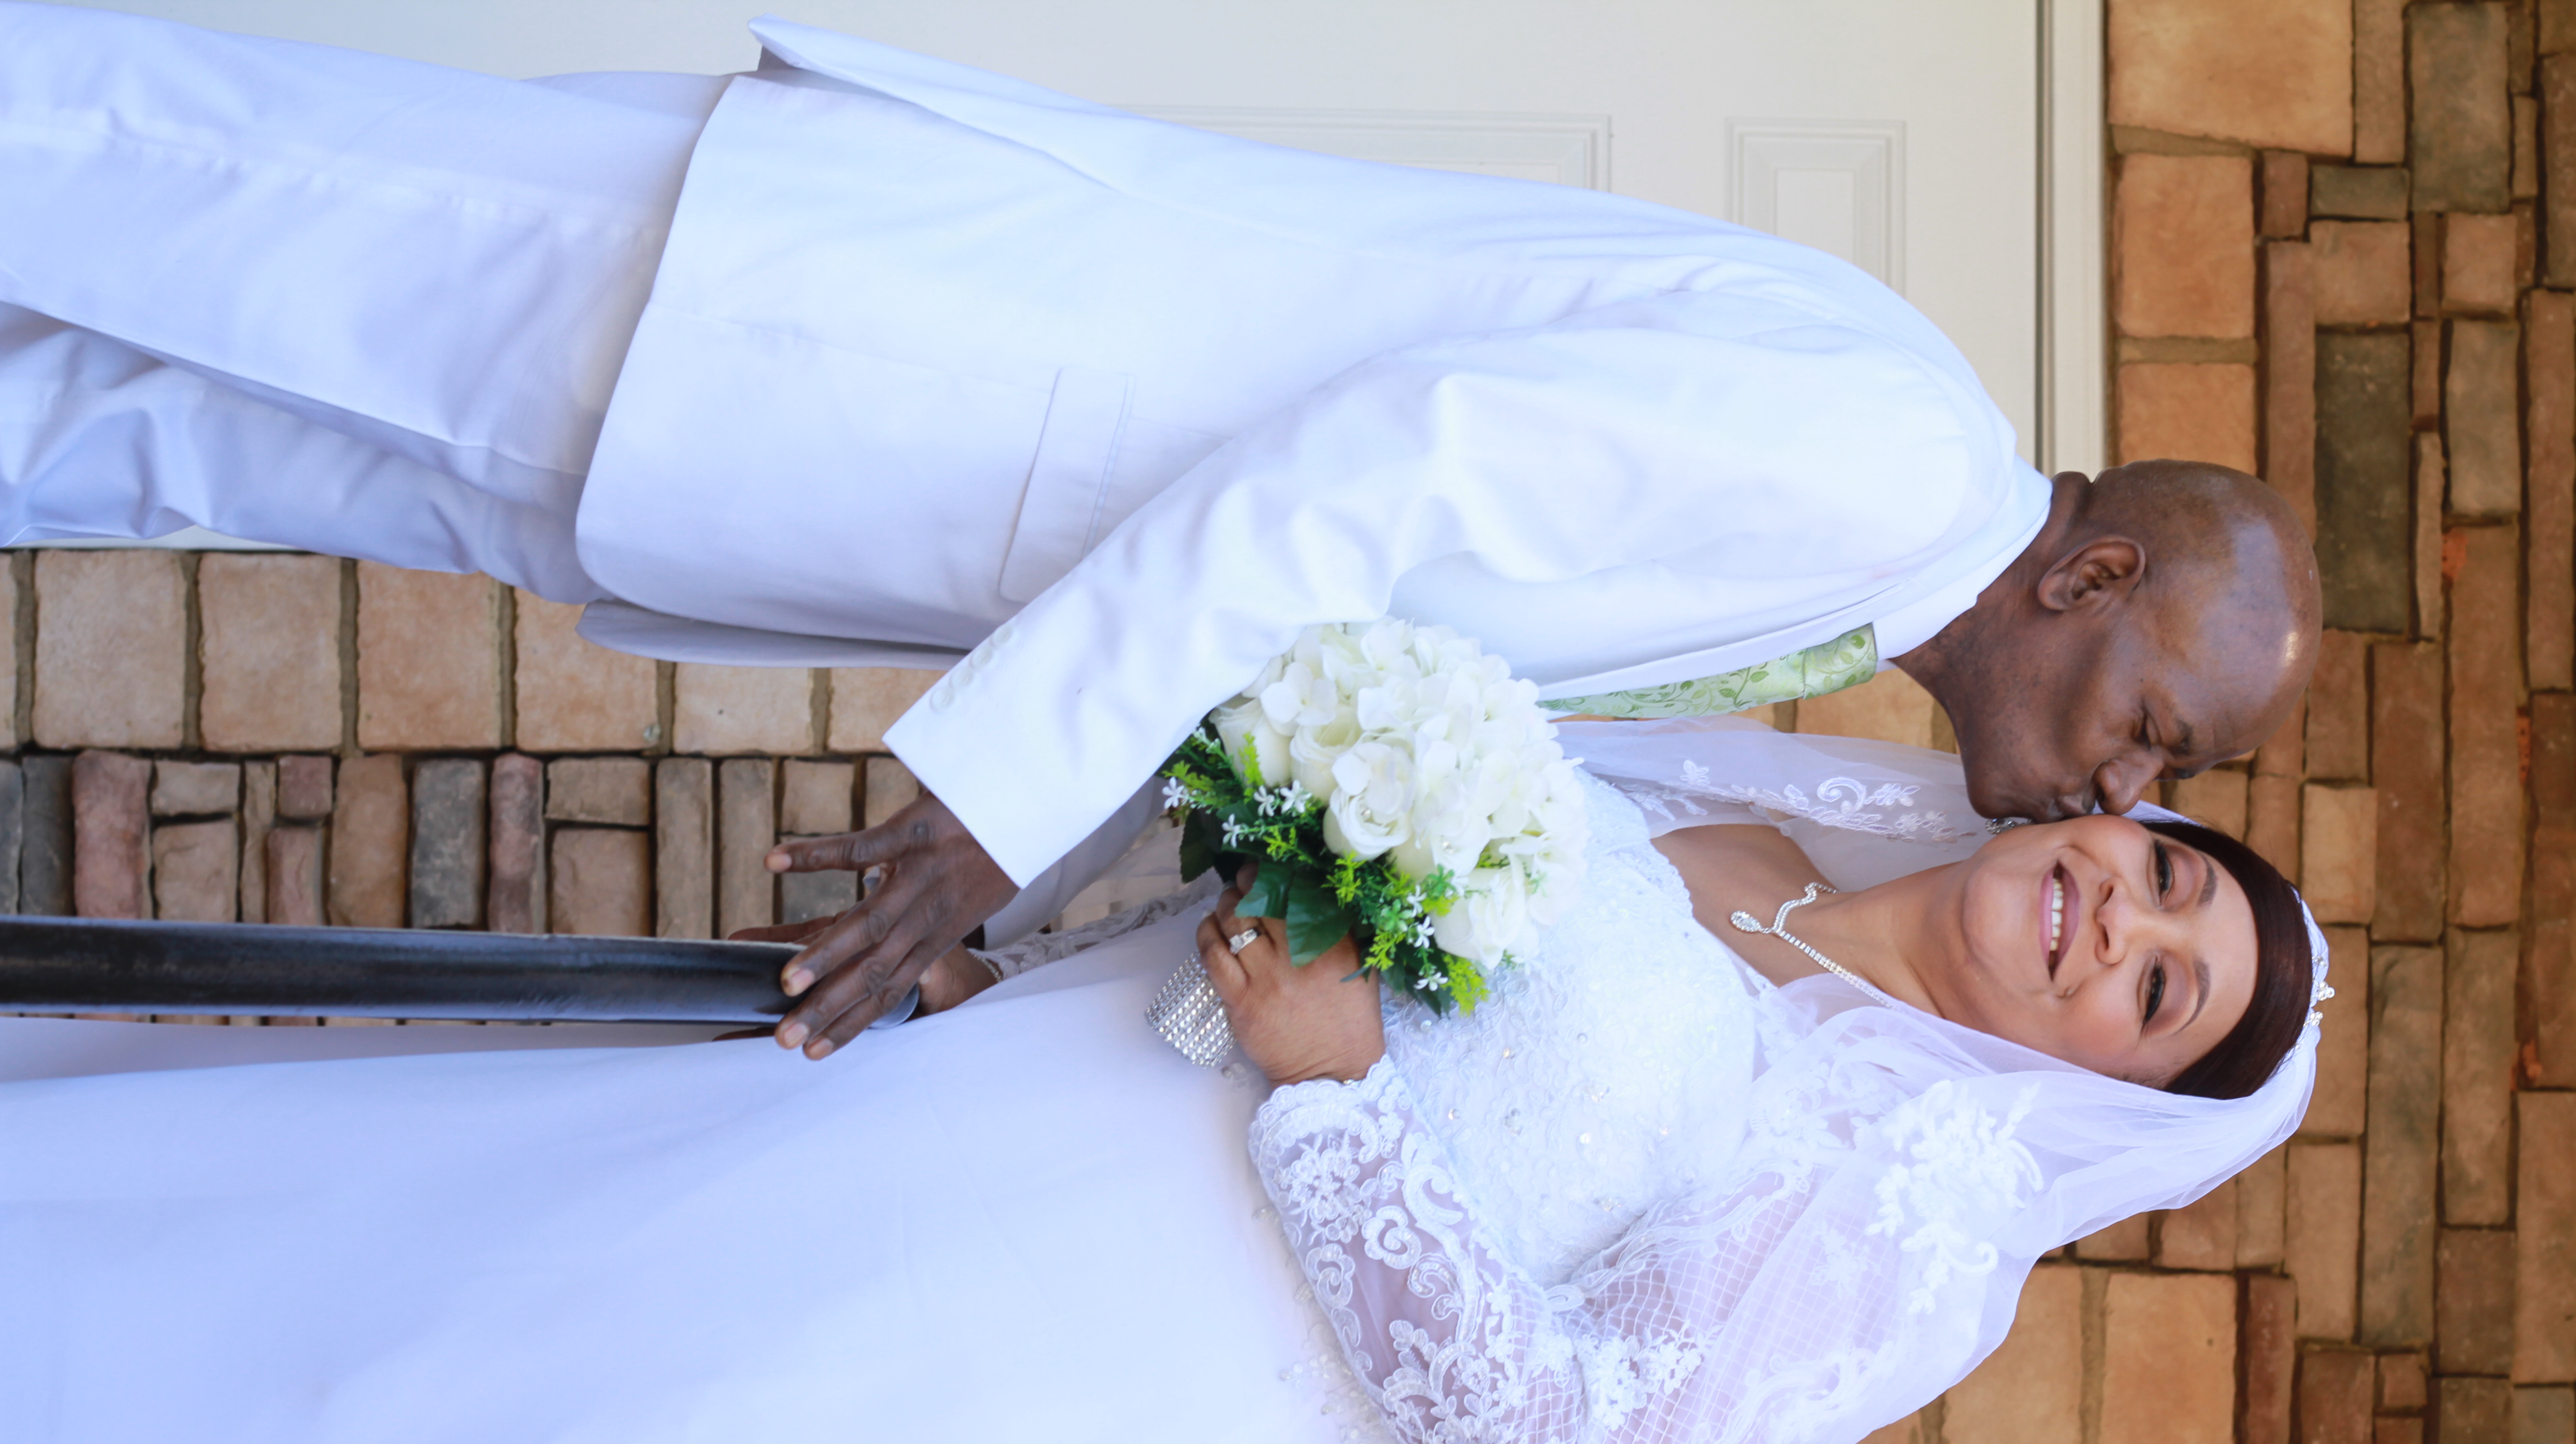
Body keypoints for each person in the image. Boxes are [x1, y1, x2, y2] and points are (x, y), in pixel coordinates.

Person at [0, 5, 2323, 1049]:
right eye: (2157, 733)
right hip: (867, 332)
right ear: (2092, 573)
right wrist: (990, 817)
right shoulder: (1879, 470)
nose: (2124, 793)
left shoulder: (1859, 562)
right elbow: (1376, 473)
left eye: (2161, 791)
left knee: (177, 434)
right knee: (184, 181)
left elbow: (1345, 647)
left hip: (856, 454)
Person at [0, 712, 2327, 1444]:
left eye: (2156, 990)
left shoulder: (1905, 1211)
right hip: (1001, 1116)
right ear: (2116, 823)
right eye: (2160, 879)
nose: (2108, 921)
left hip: (1114, 1385)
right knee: (481, 1270)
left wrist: (1331, 1104)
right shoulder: (1754, 819)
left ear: (2112, 1087)